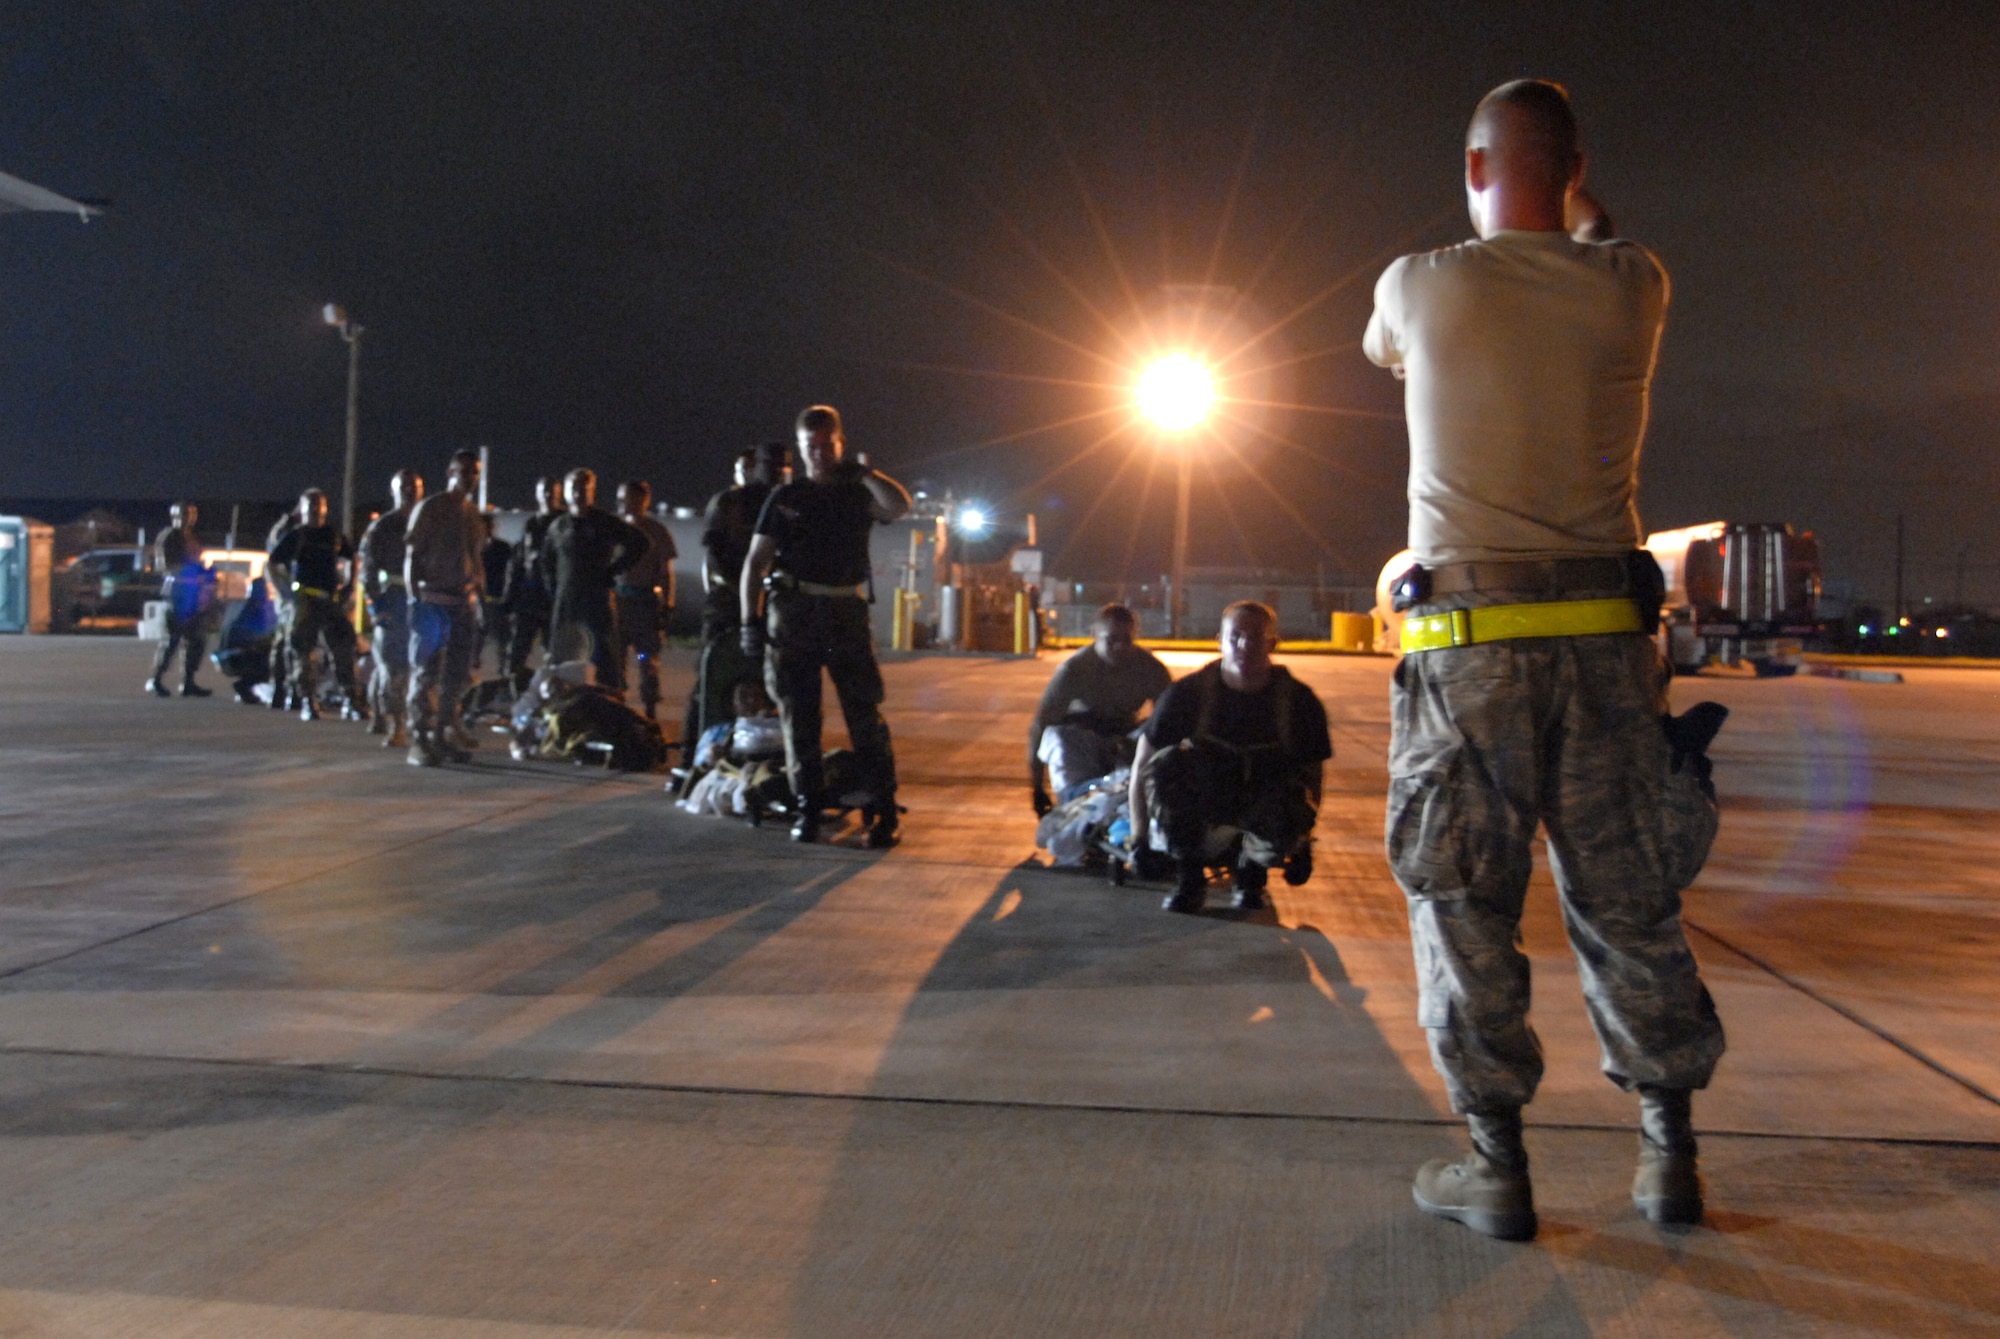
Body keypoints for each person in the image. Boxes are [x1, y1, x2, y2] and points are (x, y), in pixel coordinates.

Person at [1363, 79, 1726, 1241]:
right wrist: (1578, 217)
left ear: (1472, 169)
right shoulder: (1634, 284)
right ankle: (1667, 1160)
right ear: (1576, 176)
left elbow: (1384, 356)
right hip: (1607, 655)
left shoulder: (1418, 286)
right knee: (1629, 903)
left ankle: (1495, 1166)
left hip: (1469, 654)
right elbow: (1595, 238)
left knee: (1464, 903)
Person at [740, 405, 909, 846]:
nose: (818, 454)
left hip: (844, 617)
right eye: (809, 447)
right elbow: (755, 563)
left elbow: (899, 506)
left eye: (826, 445)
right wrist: (749, 622)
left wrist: (867, 473)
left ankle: (883, 810)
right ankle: (809, 809)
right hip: (794, 615)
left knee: (864, 718)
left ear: (840, 444)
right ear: (800, 449)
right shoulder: (787, 498)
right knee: (800, 721)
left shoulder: (858, 493)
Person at [1127, 602, 1327, 914]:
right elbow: (1144, 765)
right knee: (1167, 767)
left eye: (1256, 638)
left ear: (1272, 644)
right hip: (1205, 799)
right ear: (1219, 640)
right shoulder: (1187, 694)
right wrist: (1138, 838)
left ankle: (1252, 875)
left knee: (1291, 796)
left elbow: (1312, 776)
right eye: (1236, 637)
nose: (1244, 646)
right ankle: (1190, 879)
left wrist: (1303, 842)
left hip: (1262, 800)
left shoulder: (1298, 702)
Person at [685, 443, 788, 758]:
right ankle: (693, 756)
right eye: (769, 465)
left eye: (781, 466)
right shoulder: (730, 502)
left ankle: (763, 752)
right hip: (727, 602)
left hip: (770, 606)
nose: (775, 471)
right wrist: (746, 590)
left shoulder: (785, 502)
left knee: (770, 683)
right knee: (710, 681)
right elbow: (714, 555)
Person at [1029, 603, 1171, 813]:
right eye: (1112, 639)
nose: (1120, 647)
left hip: (1125, 740)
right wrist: (1037, 787)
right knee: (1056, 738)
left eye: (1126, 640)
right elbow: (1042, 724)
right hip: (1082, 741)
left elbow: (1171, 717)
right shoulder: (1074, 670)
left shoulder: (1150, 669)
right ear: (1094, 634)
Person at [403, 450, 486, 766]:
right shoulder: (432, 508)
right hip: (433, 601)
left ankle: (443, 735)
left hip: (462, 604)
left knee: (456, 676)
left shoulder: (472, 513)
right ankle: (419, 739)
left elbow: (476, 561)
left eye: (474, 472)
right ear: (451, 471)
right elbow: (413, 555)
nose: (470, 478)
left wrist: (481, 601)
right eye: (465, 471)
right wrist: (414, 600)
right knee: (426, 674)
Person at [540, 468, 645, 695]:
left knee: (604, 656)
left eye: (583, 489)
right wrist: (552, 588)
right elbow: (546, 561)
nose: (578, 494)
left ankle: (611, 703)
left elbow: (640, 543)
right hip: (566, 603)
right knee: (563, 656)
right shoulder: (559, 526)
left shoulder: (605, 522)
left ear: (592, 492)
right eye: (574, 488)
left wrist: (613, 571)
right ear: (566, 493)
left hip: (597, 601)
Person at [267, 489, 362, 722]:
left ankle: (351, 699)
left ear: (325, 508)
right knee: (302, 654)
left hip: (330, 600)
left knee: (344, 649)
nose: (315, 510)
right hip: (305, 601)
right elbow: (273, 564)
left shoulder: (334, 535)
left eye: (319, 505)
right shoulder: (296, 536)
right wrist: (285, 592)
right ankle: (308, 701)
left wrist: (350, 585)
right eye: (310, 505)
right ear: (302, 508)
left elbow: (352, 558)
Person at [358, 469, 424, 748]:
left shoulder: (429, 522)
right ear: (394, 491)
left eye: (414, 486)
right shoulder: (383, 527)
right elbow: (368, 569)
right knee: (391, 666)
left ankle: (414, 720)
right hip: (393, 600)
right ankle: (395, 722)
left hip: (423, 600)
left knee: (420, 667)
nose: (409, 491)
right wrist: (376, 606)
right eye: (404, 487)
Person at [613, 479, 677, 719]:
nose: (622, 503)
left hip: (644, 605)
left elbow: (666, 572)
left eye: (627, 498)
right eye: (620, 498)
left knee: (645, 657)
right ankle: (617, 705)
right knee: (616, 659)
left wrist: (668, 604)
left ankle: (649, 706)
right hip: (618, 603)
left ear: (642, 500)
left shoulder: (656, 532)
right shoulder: (614, 528)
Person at [145, 501, 215, 698]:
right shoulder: (169, 536)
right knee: (172, 639)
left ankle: (188, 681)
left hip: (193, 593)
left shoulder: (191, 537)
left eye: (191, 514)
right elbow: (163, 565)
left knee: (196, 639)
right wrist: (189, 571)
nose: (188, 518)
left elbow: (196, 562)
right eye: (184, 514)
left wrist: (204, 573)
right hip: (177, 592)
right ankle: (156, 678)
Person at [503, 476, 565, 689]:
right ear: (537, 494)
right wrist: (509, 598)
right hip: (529, 597)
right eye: (544, 491)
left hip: (554, 599)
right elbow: (517, 563)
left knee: (556, 654)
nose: (548, 495)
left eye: (553, 491)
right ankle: (510, 690)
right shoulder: (530, 524)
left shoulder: (565, 524)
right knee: (517, 651)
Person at [263, 506, 301, 711]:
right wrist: (285, 593)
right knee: (287, 643)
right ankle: (282, 690)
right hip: (287, 595)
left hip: (295, 594)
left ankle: (289, 691)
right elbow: (275, 565)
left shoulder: (294, 530)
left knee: (293, 643)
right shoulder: (286, 532)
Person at [477, 513, 513, 674]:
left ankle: (504, 674)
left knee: (503, 641)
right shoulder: (474, 548)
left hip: (498, 600)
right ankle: (472, 670)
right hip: (479, 600)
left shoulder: (503, 548)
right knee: (475, 641)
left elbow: (511, 573)